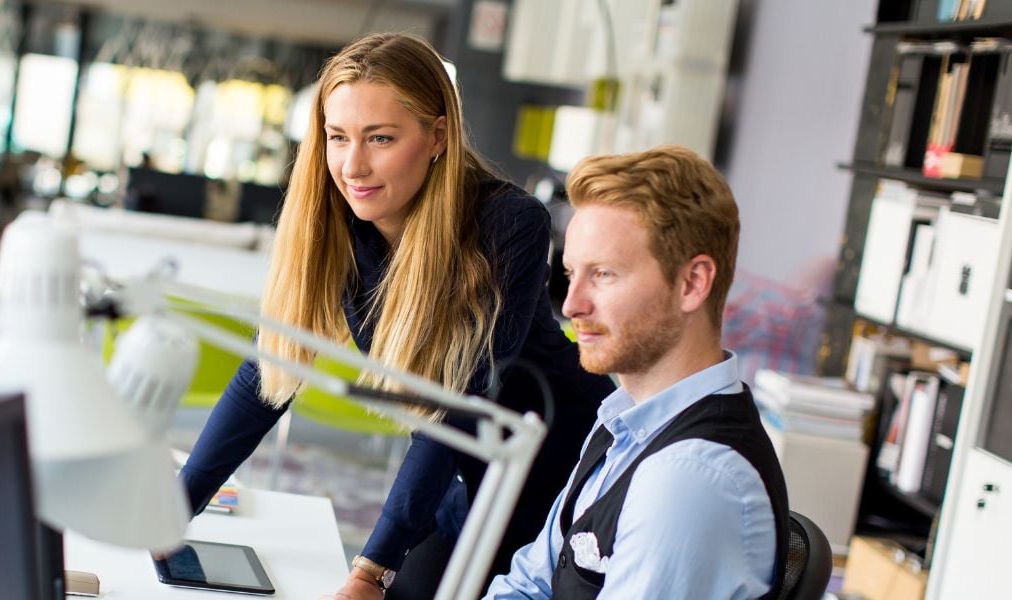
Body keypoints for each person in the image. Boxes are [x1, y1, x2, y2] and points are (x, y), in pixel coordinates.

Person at [177, 33, 614, 599]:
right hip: (469, 480)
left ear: (437, 136)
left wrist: (372, 568)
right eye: (338, 137)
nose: (352, 165)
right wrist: (176, 506)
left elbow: (457, 404)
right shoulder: (340, 226)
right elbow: (268, 372)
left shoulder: (509, 224)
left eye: (380, 138)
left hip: (565, 483)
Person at [484, 146, 791, 599]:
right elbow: (529, 584)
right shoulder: (623, 422)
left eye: (604, 274)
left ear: (692, 284)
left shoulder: (689, 477)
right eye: (571, 274)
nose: (572, 305)